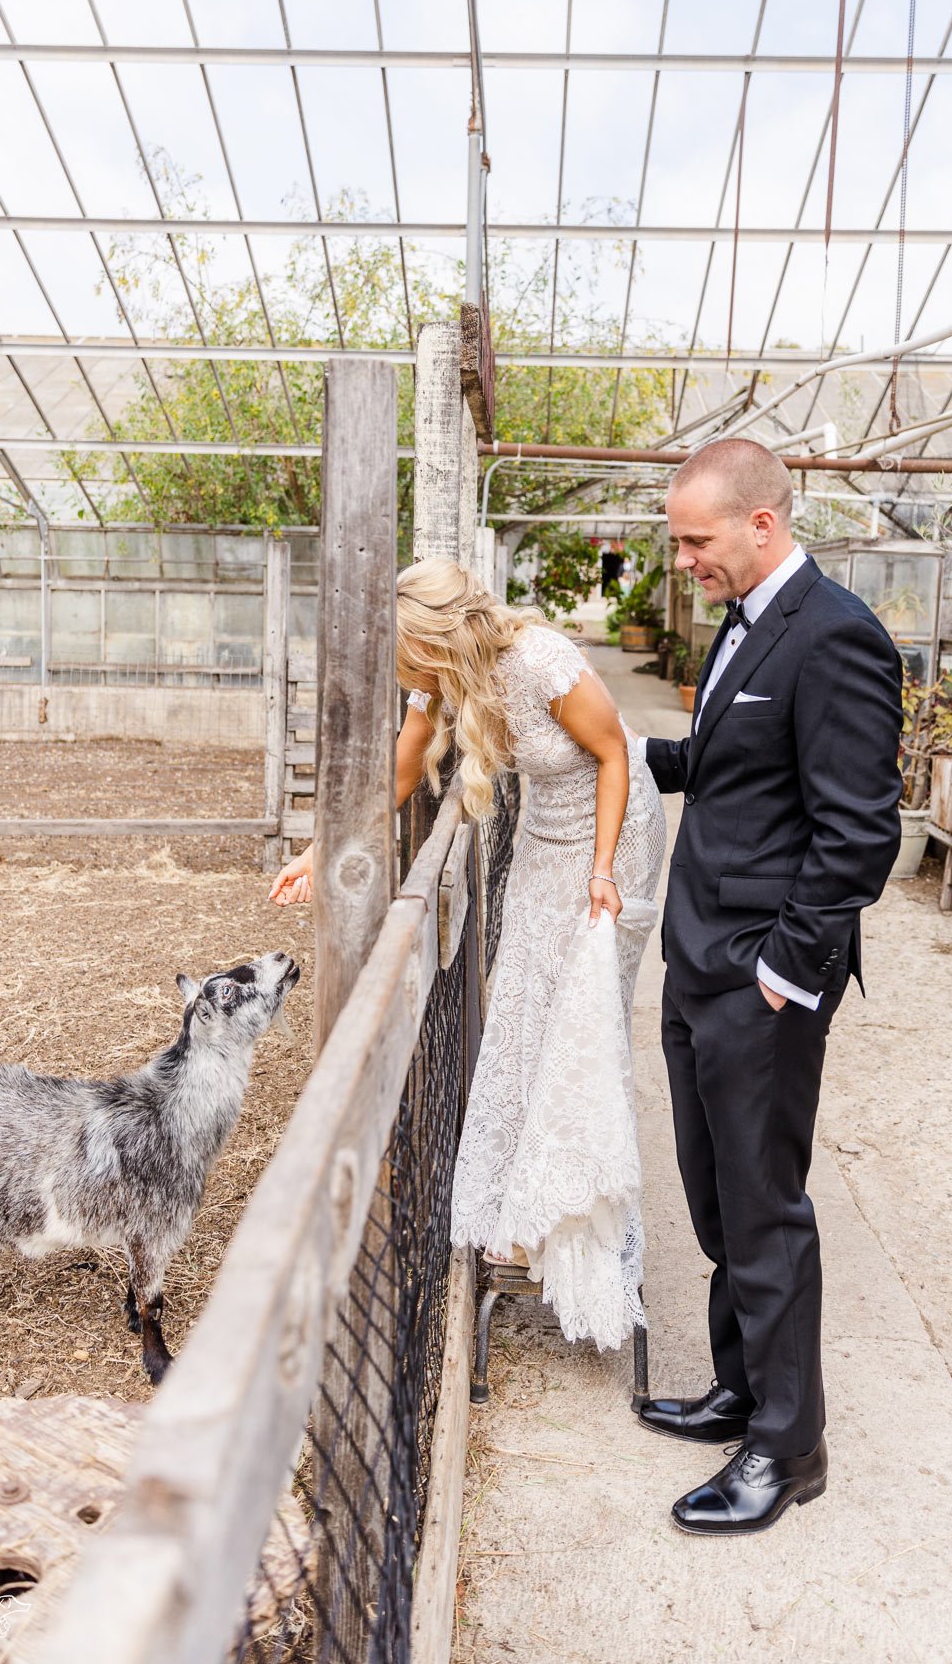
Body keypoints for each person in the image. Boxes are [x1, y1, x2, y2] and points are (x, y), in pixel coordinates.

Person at [270, 557, 667, 1350]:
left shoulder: (543, 661)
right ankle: (527, 1204)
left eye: (405, 649)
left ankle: (580, 1213)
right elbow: (404, 764)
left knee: (578, 1014)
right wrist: (321, 849)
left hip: (611, 838)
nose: (400, 667)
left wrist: (598, 872)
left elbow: (617, 755)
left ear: (436, 638)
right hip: (547, 835)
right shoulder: (442, 681)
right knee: (523, 994)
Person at [636, 438, 902, 1537]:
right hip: (694, 955)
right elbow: (732, 765)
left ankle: (788, 1445)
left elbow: (857, 835)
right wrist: (607, 747)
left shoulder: (835, 635)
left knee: (766, 1206)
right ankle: (742, 1386)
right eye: (678, 539)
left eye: (696, 539)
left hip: (758, 980)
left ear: (761, 522)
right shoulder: (745, 621)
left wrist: (781, 975)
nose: (684, 559)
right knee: (714, 1195)